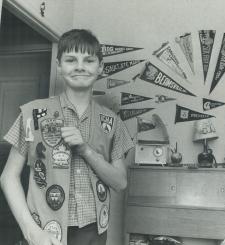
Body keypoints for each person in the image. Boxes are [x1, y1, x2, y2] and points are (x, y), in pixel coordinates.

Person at [0, 29, 134, 245]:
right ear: (59, 66)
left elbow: (120, 183)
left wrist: (86, 150)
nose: (80, 66)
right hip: (46, 232)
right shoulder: (32, 114)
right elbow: (8, 177)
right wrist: (30, 231)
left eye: (88, 60)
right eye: (71, 60)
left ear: (100, 67)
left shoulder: (112, 122)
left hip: (94, 233)